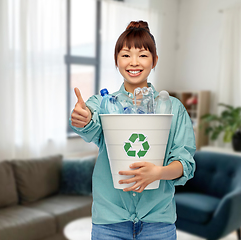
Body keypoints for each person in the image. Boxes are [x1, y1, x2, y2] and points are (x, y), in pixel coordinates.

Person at [70, 20, 196, 240]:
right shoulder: (103, 103)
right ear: (117, 60)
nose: (134, 62)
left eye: (143, 55)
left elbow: (185, 164)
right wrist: (84, 118)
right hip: (110, 221)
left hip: (158, 221)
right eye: (126, 55)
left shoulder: (173, 108)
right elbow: (90, 126)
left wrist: (158, 173)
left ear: (154, 60)